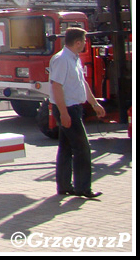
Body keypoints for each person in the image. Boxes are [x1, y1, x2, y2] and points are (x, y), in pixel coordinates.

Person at [48, 27, 106, 198]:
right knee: (82, 149)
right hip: (67, 108)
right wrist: (64, 113)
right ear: (78, 42)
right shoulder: (62, 59)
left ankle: (65, 186)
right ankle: (83, 188)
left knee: (66, 148)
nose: (85, 45)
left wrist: (94, 103)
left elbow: (82, 83)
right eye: (84, 41)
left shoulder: (74, 58)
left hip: (73, 107)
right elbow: (56, 86)